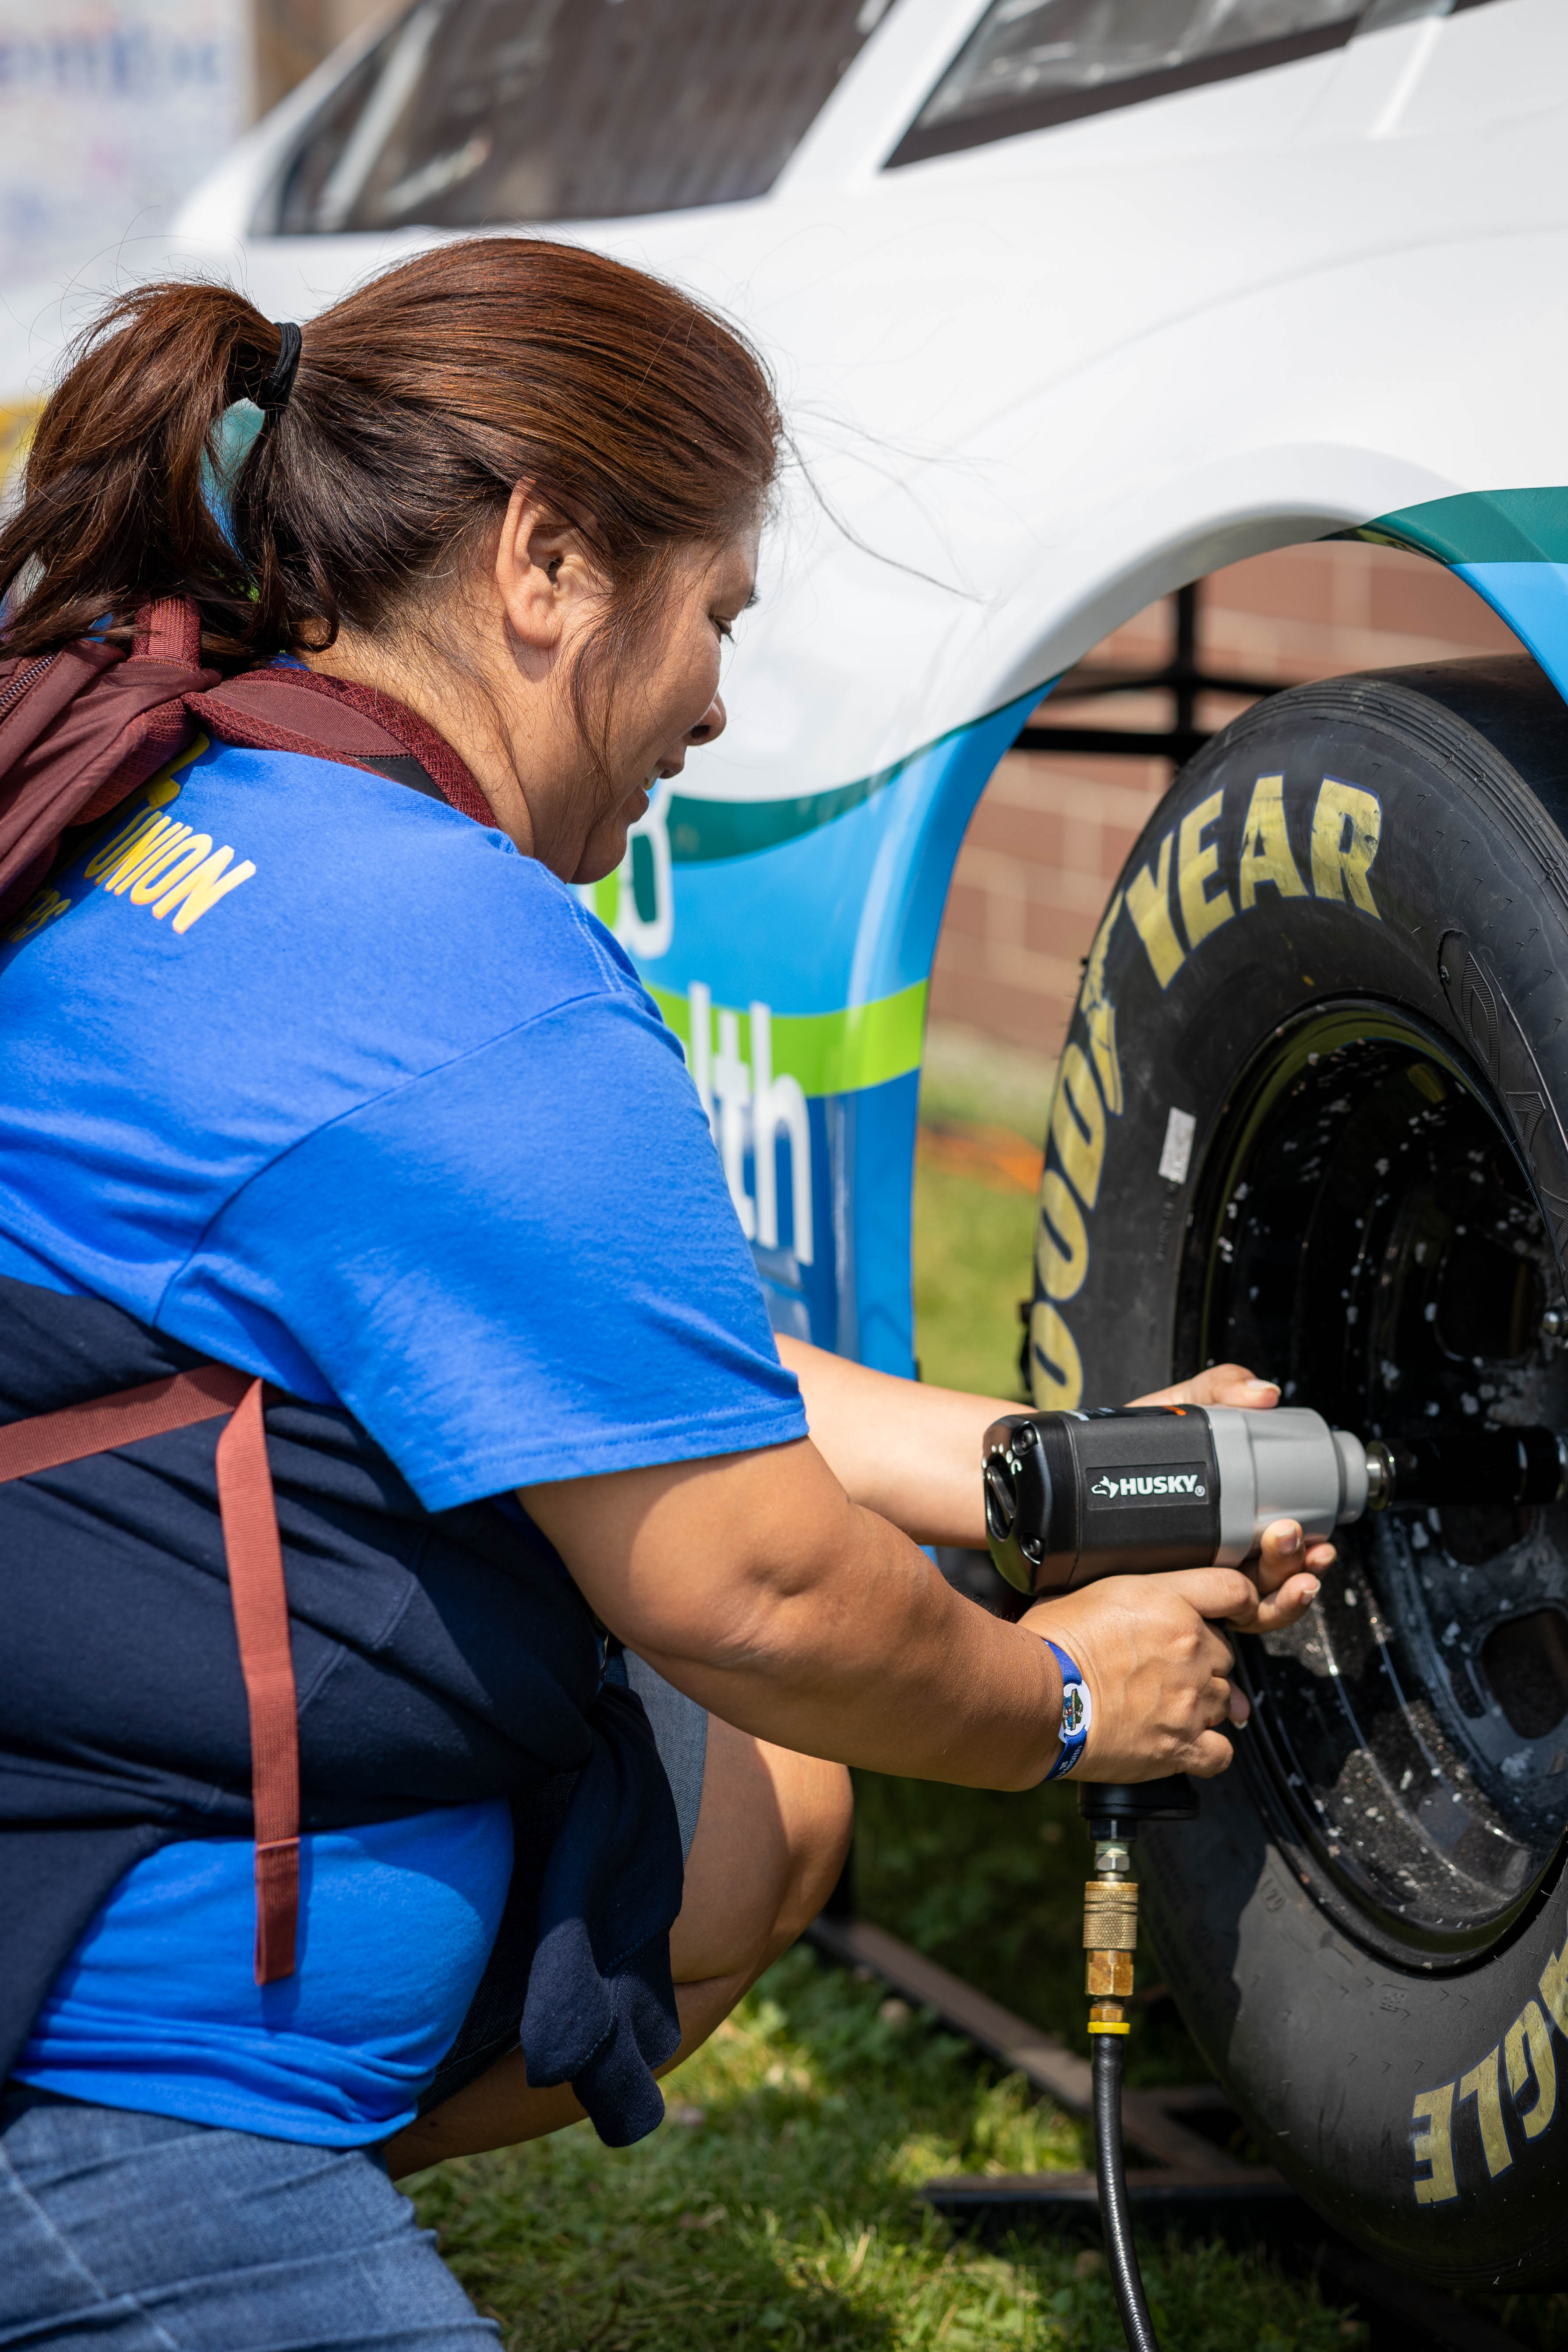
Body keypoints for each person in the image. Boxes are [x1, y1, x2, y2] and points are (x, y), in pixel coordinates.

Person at [0, 238, 1329, 2348]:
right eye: (713, 613)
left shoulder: (168, 786)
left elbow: (609, 1364)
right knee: (766, 1696)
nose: (714, 700)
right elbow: (761, 1591)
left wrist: (1040, 1476)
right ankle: (163, 2197)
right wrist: (1066, 1703)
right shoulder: (451, 970)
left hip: (78, 1838)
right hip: (71, 2022)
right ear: (546, 562)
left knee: (755, 1799)